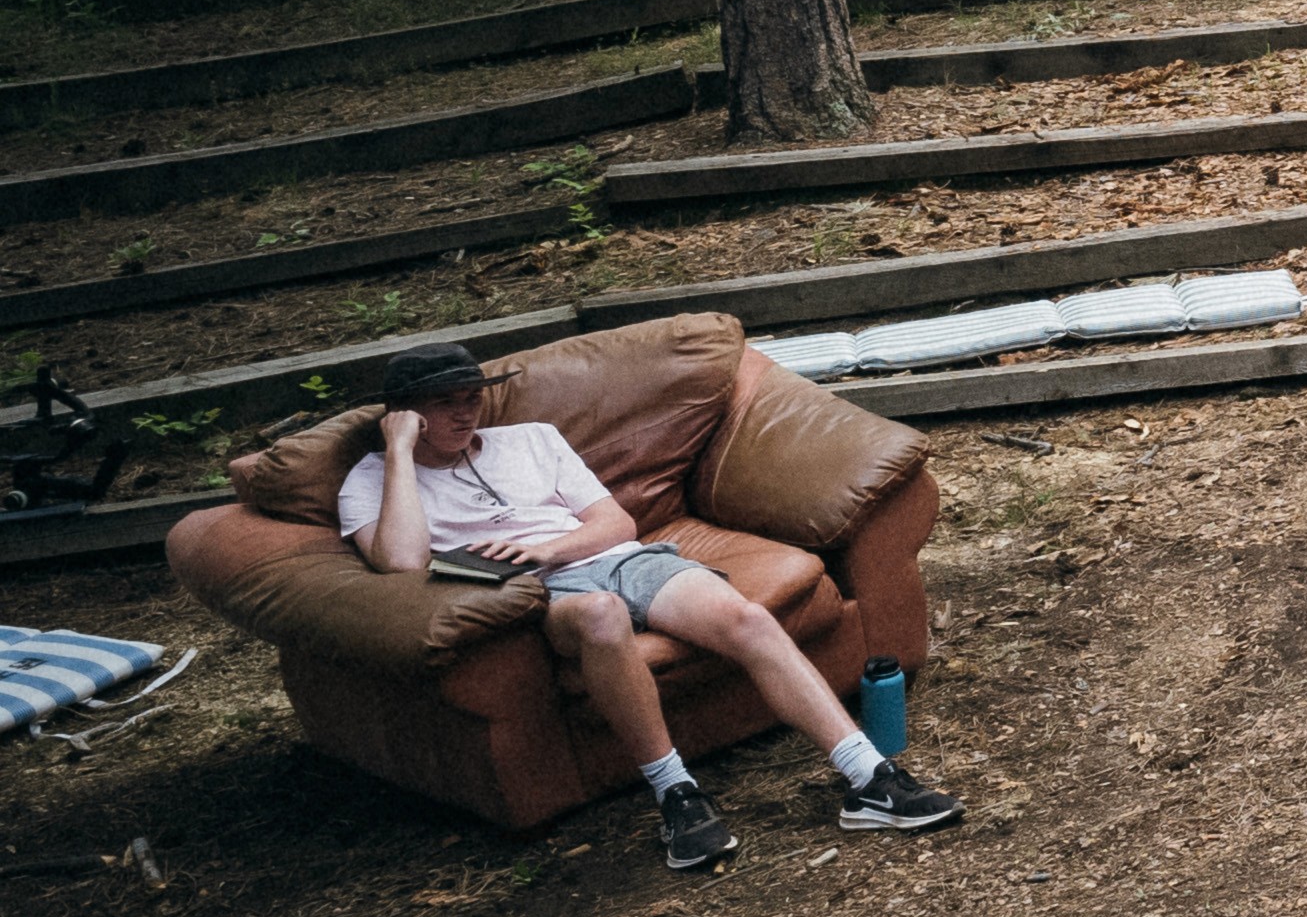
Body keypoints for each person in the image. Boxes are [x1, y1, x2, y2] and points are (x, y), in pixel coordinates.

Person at [340, 344, 957, 869]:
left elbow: (614, 521)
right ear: (404, 414)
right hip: (539, 595)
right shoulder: (371, 479)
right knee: (604, 614)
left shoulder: (530, 440)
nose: (464, 412)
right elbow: (398, 562)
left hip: (615, 558)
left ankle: (868, 778)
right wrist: (398, 454)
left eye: (471, 397)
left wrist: (546, 548)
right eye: (445, 402)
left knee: (746, 618)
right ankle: (677, 795)